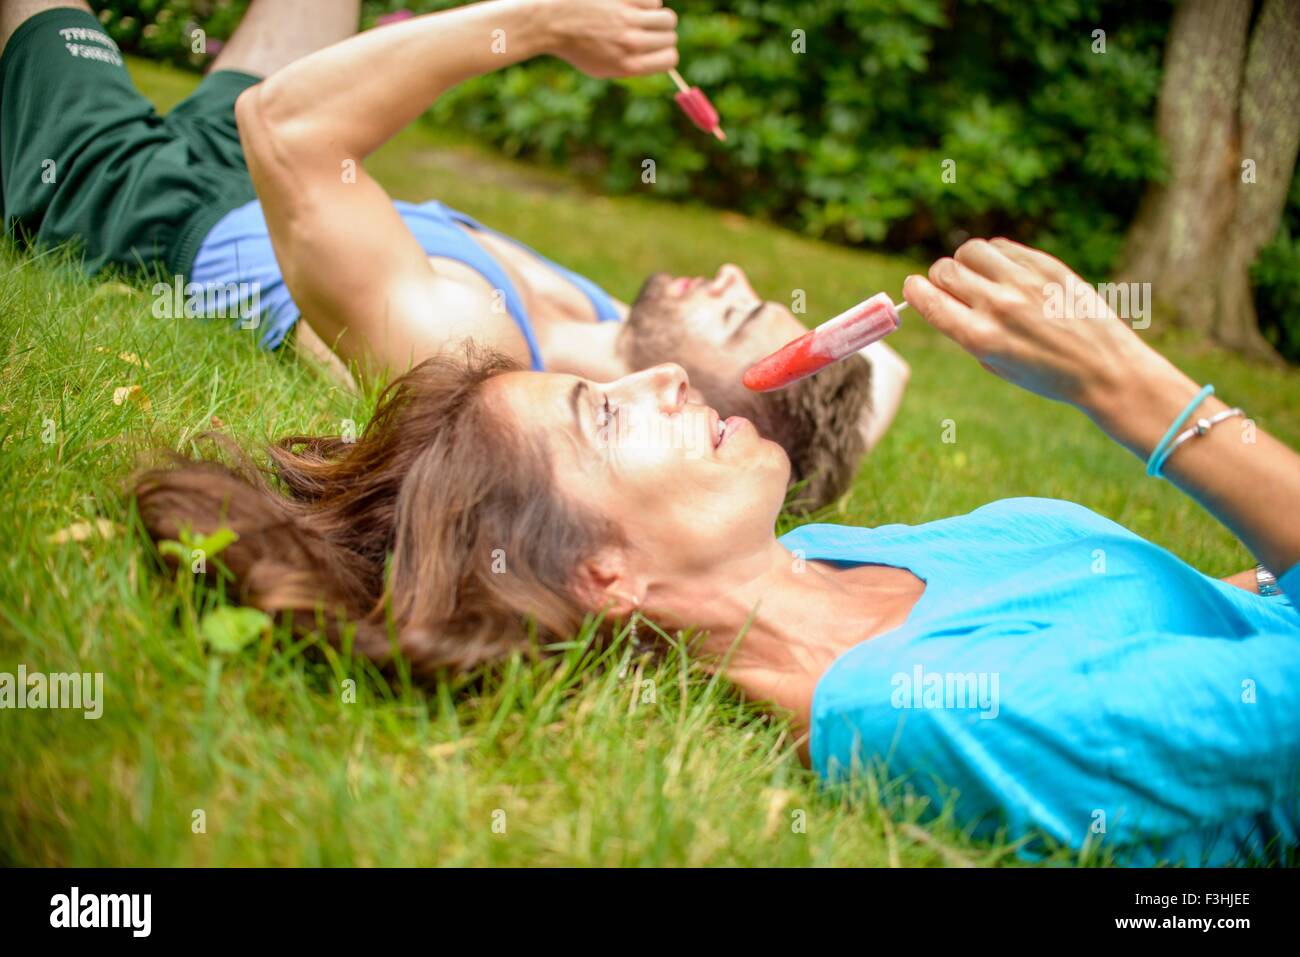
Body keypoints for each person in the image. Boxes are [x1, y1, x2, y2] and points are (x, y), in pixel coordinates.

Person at [136, 234, 1300, 865]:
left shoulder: (834, 552)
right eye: (600, 416)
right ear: (605, 578)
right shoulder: (922, 710)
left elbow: (1220, 608)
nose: (646, 377)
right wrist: (1134, 390)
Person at [0, 0, 910, 510]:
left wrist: (548, 23)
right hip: (251, 165)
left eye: (740, 315)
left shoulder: (474, 354)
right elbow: (885, 364)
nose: (736, 280)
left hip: (141, 204)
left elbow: (282, 126)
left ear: (702, 398)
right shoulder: (614, 327)